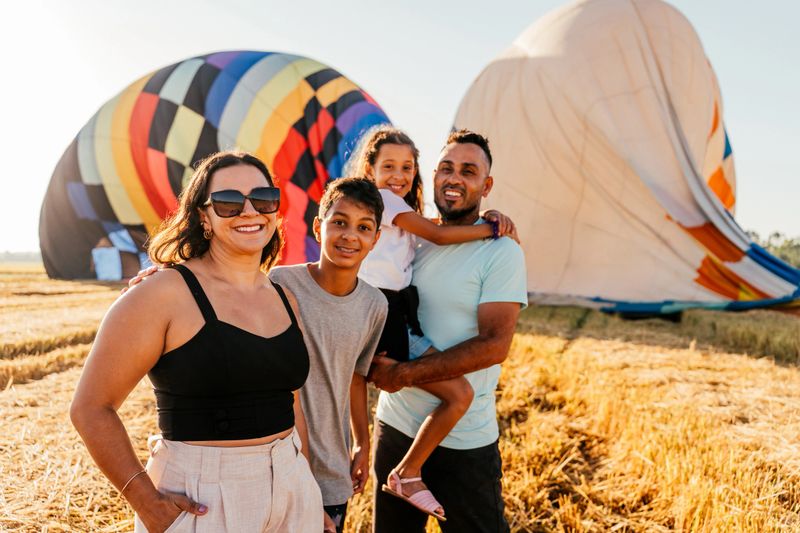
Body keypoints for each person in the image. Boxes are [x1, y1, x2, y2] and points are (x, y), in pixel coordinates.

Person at [70, 151, 324, 532]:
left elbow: (292, 402)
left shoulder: (284, 297)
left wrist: (306, 489)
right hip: (205, 499)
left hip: (292, 487)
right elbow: (90, 408)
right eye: (228, 202)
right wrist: (146, 501)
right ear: (203, 217)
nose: (249, 211)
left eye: (263, 198)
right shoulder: (163, 293)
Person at [127, 176, 389, 533]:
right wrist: (164, 280)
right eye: (339, 222)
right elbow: (220, 285)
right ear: (318, 227)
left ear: (376, 238)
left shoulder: (375, 305)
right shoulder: (279, 284)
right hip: (265, 459)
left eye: (363, 227)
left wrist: (362, 443)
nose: (349, 235)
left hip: (330, 464)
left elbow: (355, 376)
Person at [346, 125, 517, 520]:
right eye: (446, 167)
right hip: (395, 421)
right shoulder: (396, 216)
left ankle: (401, 467)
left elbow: (496, 346)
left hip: (466, 445)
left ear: (486, 185)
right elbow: (438, 235)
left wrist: (494, 226)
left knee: (455, 397)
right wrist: (486, 227)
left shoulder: (497, 252)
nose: (454, 178)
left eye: (469, 171)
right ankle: (404, 471)